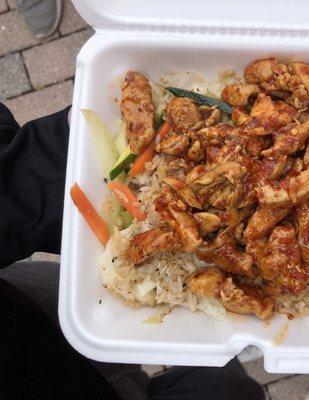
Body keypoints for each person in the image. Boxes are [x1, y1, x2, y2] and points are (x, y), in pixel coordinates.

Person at [0, 103, 265, 400]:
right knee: (229, 388)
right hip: (43, 382)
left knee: (221, 378)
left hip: (23, 313)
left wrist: (50, 156)